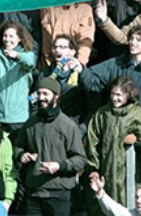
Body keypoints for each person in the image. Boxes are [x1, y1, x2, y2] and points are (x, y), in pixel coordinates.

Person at [13, 76, 86, 216]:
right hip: (33, 193)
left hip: (58, 195)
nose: (41, 98)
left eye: (45, 94)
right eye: (39, 93)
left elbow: (81, 159)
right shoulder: (30, 123)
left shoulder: (68, 126)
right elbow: (18, 146)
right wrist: (22, 155)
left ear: (56, 97)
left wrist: (59, 166)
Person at [87, 76, 141, 207]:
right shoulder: (102, 114)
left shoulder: (140, 115)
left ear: (128, 95)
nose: (114, 98)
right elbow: (92, 142)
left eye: (119, 95)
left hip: (132, 173)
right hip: (107, 171)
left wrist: (137, 137)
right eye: (112, 94)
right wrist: (93, 168)